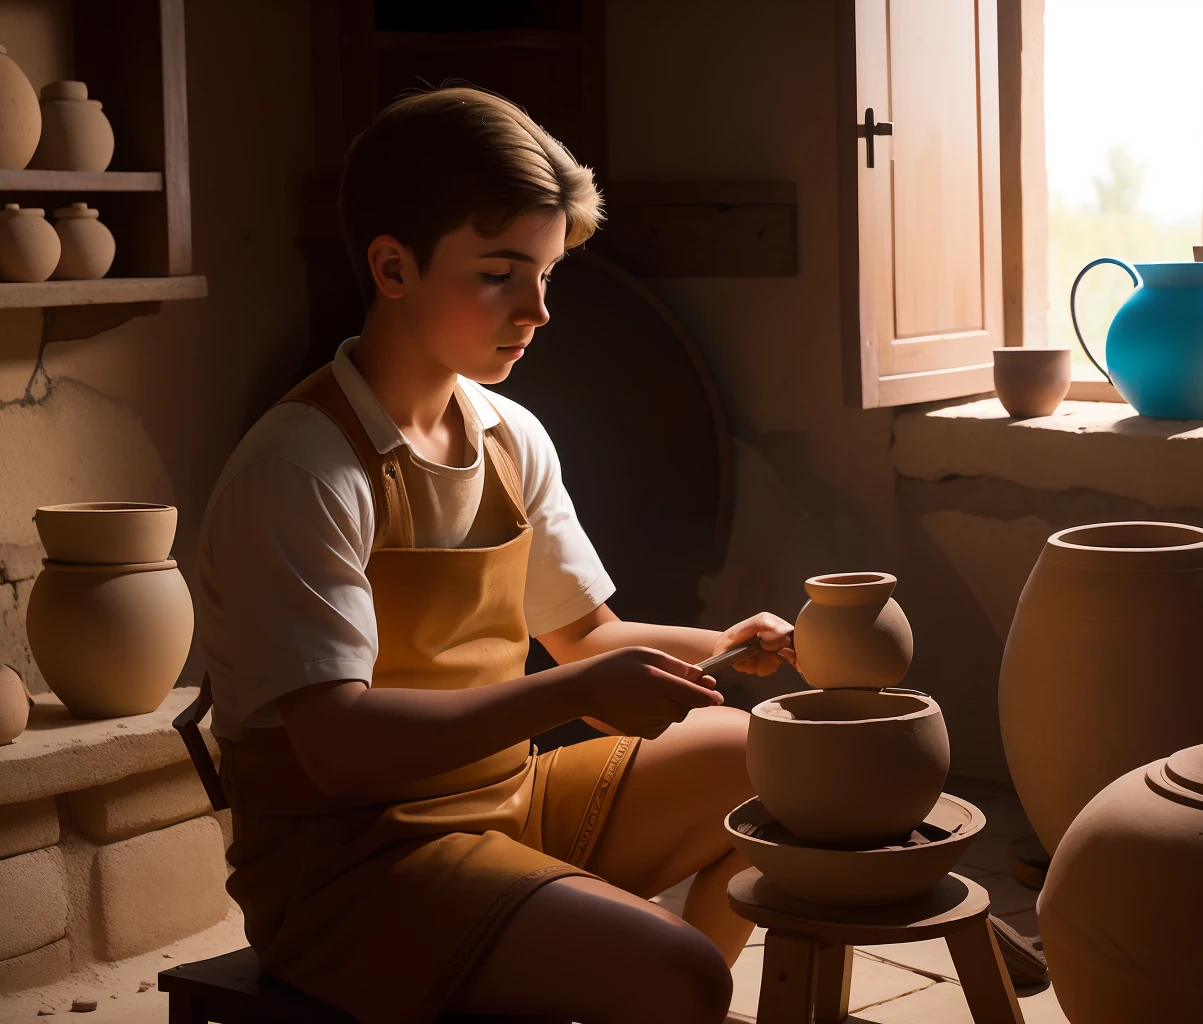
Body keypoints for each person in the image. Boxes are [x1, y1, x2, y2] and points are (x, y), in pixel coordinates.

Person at [196, 86, 795, 1024]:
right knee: (681, 974)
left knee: (768, 757)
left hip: (506, 806)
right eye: (500, 274)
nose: (539, 310)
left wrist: (726, 641)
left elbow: (587, 639)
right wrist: (574, 696)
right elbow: (339, 748)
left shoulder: (510, 436)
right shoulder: (301, 467)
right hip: (354, 868)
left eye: (547, 275)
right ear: (392, 267)